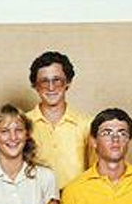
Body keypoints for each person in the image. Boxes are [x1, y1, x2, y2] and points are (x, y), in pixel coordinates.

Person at [24, 51, 94, 192]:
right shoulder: (22, 125)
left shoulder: (87, 124)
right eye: (44, 81)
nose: (51, 87)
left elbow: (95, 171)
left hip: (77, 203)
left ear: (68, 82)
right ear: (35, 86)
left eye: (57, 80)